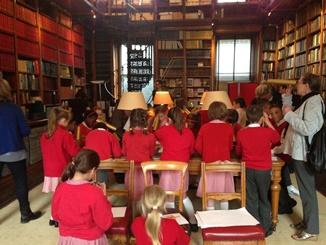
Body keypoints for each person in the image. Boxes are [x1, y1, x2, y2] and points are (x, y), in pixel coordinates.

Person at [283, 73, 324, 241]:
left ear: (307, 85)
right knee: (305, 190)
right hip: (300, 153)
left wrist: (290, 114)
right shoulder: (308, 100)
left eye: (298, 82)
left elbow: (308, 128)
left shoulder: (314, 102)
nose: (296, 85)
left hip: (305, 154)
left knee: (307, 191)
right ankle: (308, 222)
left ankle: (312, 228)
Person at [0, 78, 42, 223]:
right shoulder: (14, 108)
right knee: (20, 182)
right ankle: (25, 214)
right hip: (14, 151)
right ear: (7, 91)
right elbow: (25, 131)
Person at [52, 149, 113, 245]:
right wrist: (104, 197)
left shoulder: (60, 187)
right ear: (93, 170)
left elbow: (55, 216)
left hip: (66, 240)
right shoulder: (95, 192)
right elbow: (106, 223)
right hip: (90, 240)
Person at [236, 105, 280, 237]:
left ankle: (253, 227)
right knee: (263, 198)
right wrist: (268, 122)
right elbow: (277, 139)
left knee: (251, 198)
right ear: (262, 118)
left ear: (247, 118)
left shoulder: (241, 132)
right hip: (264, 170)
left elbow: (238, 151)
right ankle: (266, 228)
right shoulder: (267, 132)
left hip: (248, 168)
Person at [155, 107, 196, 226]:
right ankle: (193, 221)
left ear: (170, 119)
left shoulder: (165, 130)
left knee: (168, 196)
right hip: (182, 169)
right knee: (183, 197)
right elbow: (192, 151)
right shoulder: (189, 132)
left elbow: (155, 134)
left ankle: (170, 223)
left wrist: (163, 123)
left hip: (168, 168)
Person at [40, 107, 80, 226]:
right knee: (65, 195)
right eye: (67, 121)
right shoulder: (64, 134)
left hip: (49, 171)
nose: (68, 123)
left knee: (56, 195)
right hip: (62, 170)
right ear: (62, 120)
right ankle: (61, 218)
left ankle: (53, 217)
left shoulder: (45, 135)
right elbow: (74, 152)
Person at [196, 102, 234, 210]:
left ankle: (211, 221)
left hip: (209, 165)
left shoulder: (204, 127)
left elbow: (198, 147)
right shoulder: (228, 128)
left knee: (209, 196)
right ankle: (224, 220)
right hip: (224, 166)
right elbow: (230, 146)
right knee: (224, 196)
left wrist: (207, 152)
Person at [122, 108, 156, 201]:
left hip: (131, 170)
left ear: (131, 121)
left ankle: (132, 213)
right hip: (145, 170)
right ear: (145, 121)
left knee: (131, 197)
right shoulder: (150, 136)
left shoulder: (126, 135)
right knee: (145, 197)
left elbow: (124, 153)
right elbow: (152, 153)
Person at [269, 105, 298, 215]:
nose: (274, 116)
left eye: (276, 112)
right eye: (272, 114)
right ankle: (287, 202)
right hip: (278, 155)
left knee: (280, 182)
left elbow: (278, 139)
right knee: (281, 182)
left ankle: (284, 205)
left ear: (281, 113)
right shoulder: (277, 124)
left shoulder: (285, 124)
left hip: (284, 156)